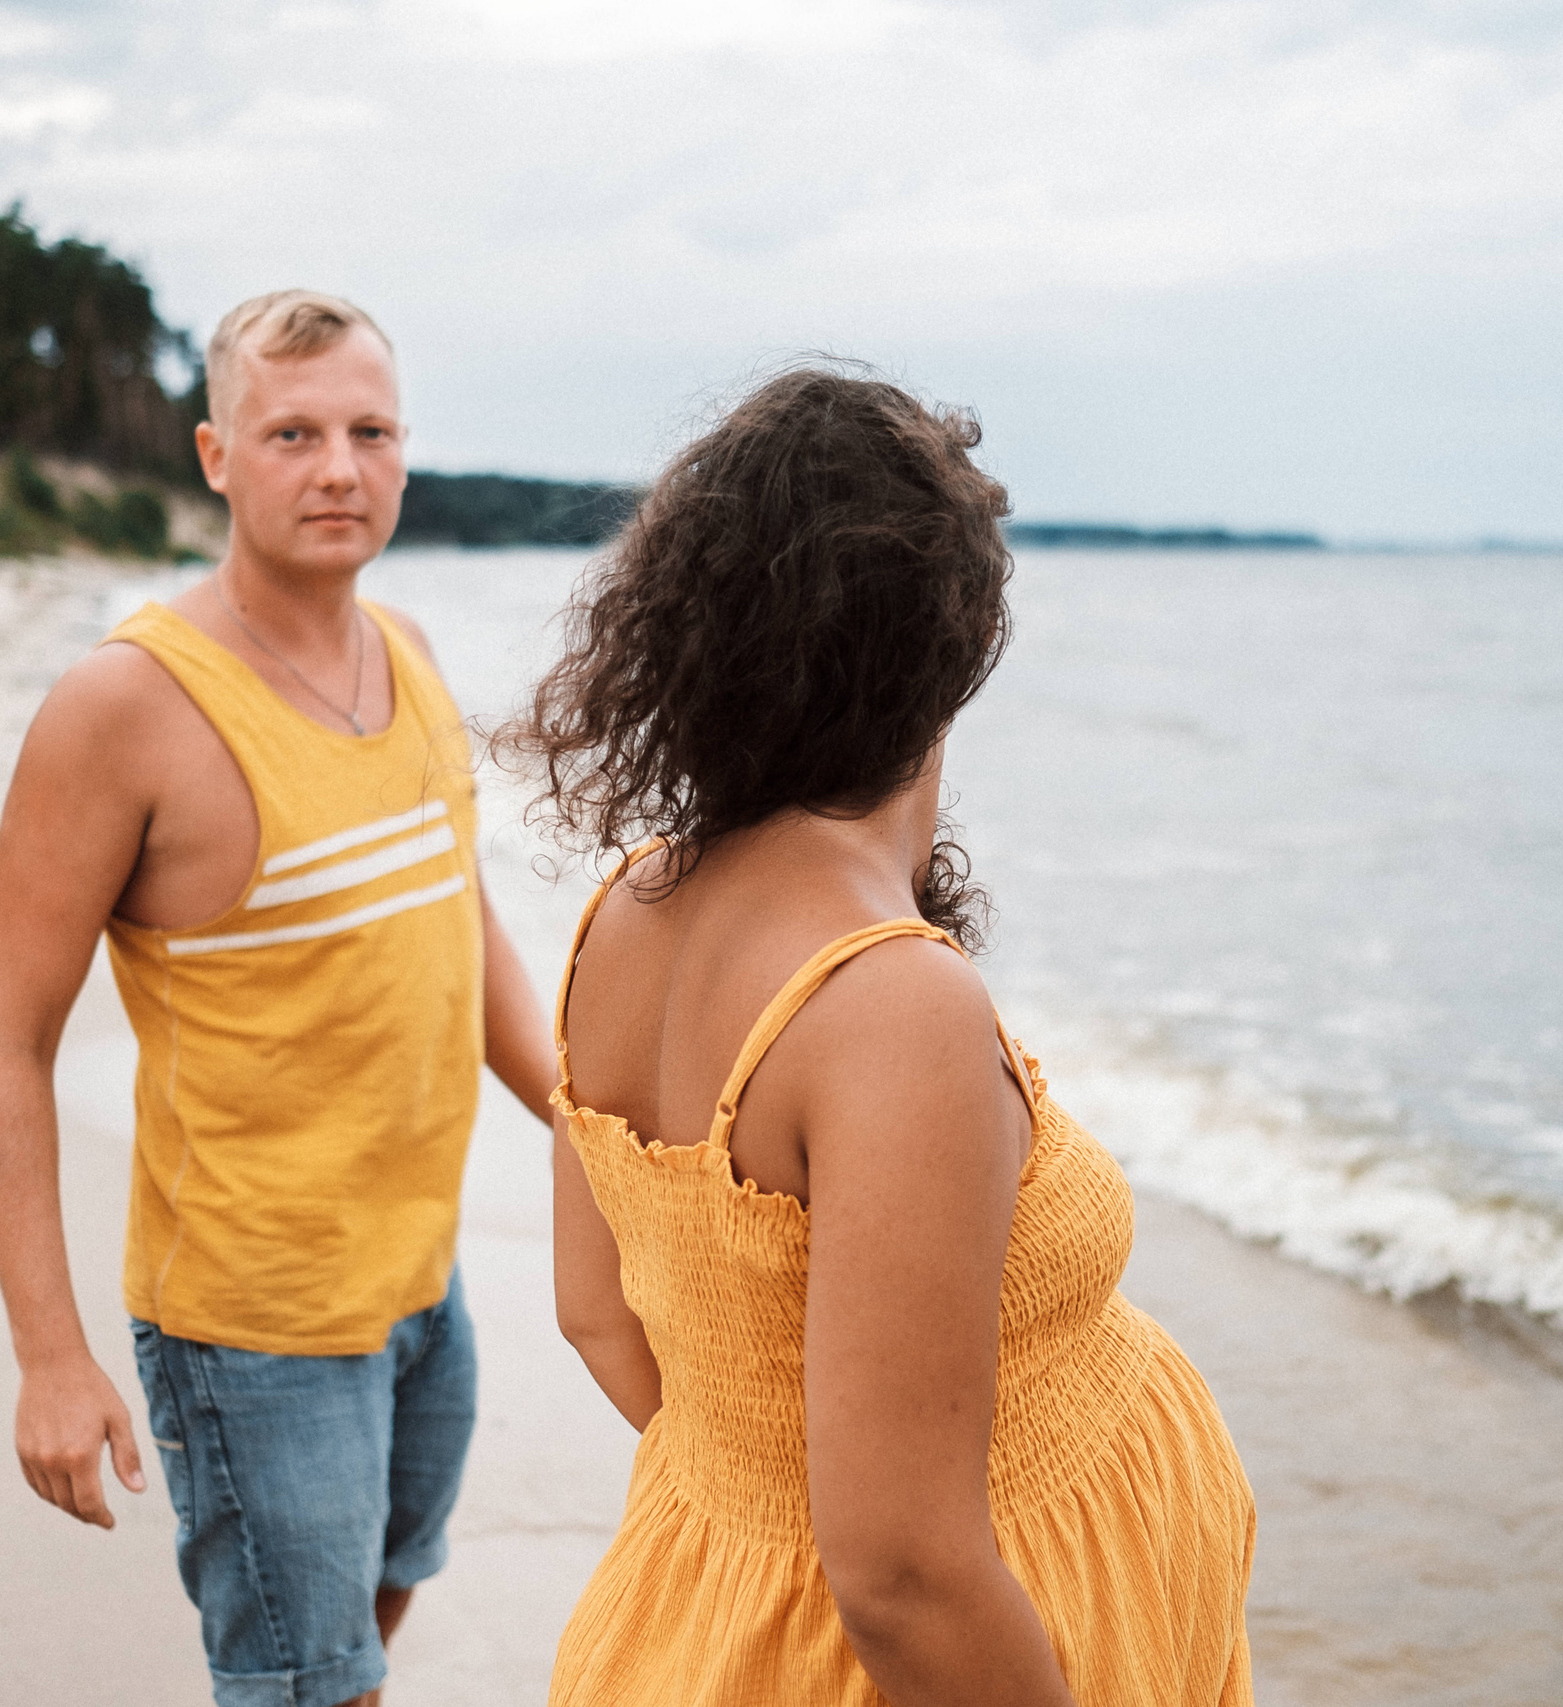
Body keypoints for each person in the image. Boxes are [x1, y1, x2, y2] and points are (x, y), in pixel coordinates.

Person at [507, 367, 1256, 1705]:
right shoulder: (890, 1004)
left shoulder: (625, 914)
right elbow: (903, 1576)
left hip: (699, 1631)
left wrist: (761, 1524)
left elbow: (598, 1315)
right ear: (959, 645)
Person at [0, 289, 555, 1707]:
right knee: (305, 1681)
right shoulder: (125, 708)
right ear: (219, 455)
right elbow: (3, 1039)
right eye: (293, 433)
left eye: (370, 431)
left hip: (422, 1276)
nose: (338, 467)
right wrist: (51, 1355)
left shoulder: (405, 648)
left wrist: (598, 1120)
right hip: (254, 1319)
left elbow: (460, 929)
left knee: (381, 1605)